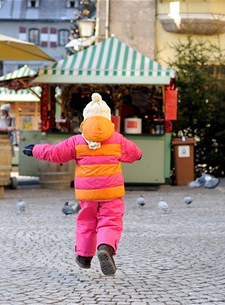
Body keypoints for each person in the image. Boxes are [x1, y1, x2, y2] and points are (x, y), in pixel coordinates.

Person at [22, 93, 142, 276]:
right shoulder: (117, 140)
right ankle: (105, 248)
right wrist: (139, 155)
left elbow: (55, 153)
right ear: (108, 120)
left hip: (87, 194)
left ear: (86, 120)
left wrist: (34, 149)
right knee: (110, 221)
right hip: (111, 192)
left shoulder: (77, 141)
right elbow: (135, 153)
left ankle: (84, 257)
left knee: (86, 222)